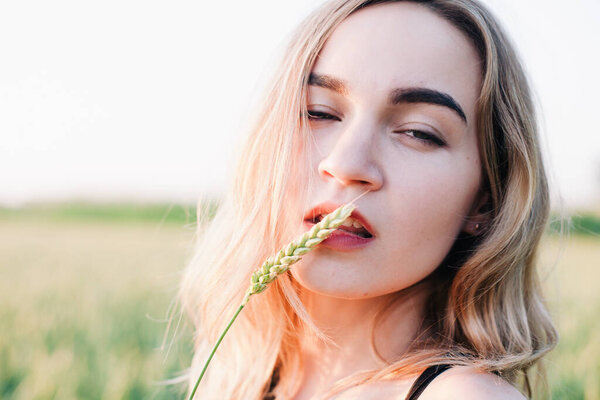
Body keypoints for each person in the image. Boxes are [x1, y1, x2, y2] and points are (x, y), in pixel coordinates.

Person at [179, 0, 557, 398]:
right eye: (318, 111)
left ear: (486, 200)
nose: (345, 163)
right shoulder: (231, 377)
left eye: (418, 132)